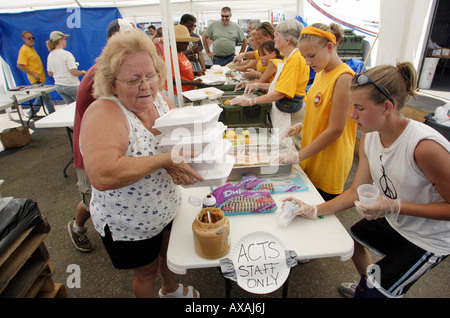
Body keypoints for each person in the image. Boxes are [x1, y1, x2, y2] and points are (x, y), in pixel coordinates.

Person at [284, 62, 450, 298]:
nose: (352, 116)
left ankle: (371, 290)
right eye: (352, 106)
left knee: (372, 293)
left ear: (387, 107)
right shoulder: (370, 139)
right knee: (351, 241)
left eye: (359, 108)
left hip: (429, 238)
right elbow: (355, 192)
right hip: (397, 218)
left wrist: (395, 206)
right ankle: (368, 284)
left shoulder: (424, 147)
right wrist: (313, 209)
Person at [80, 28, 203, 298]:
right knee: (145, 273)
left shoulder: (160, 100)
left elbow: (176, 142)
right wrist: (165, 160)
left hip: (167, 205)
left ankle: (170, 289)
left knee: (167, 255)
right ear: (112, 83)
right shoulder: (105, 112)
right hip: (130, 220)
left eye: (150, 75)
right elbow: (103, 174)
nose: (145, 85)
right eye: (134, 79)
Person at [68, 18, 136, 253]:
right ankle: (77, 228)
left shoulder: (117, 69)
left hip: (111, 145)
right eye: (123, 40)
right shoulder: (101, 74)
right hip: (90, 152)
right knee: (90, 200)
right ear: (109, 42)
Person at [281, 23, 356, 201]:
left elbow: (336, 129)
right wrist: (301, 126)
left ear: (330, 47)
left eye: (312, 56)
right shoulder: (322, 73)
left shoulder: (343, 77)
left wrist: (298, 155)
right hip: (313, 153)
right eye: (304, 57)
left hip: (329, 160)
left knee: (319, 209)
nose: (308, 62)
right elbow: (320, 113)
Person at [231, 20, 309, 136]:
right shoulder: (289, 58)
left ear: (287, 40)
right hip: (285, 109)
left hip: (291, 112)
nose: (275, 38)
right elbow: (282, 85)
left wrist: (252, 101)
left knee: (290, 146)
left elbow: (281, 92)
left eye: (277, 35)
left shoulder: (295, 60)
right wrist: (257, 85)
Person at [162, 24, 203, 107]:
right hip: (175, 95)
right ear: (176, 42)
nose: (188, 45)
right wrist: (193, 82)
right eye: (185, 42)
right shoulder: (170, 56)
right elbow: (173, 80)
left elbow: (183, 72)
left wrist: (197, 74)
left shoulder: (180, 53)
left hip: (184, 93)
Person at [17, 31, 55, 116]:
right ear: (23, 39)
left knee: (42, 96)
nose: (31, 40)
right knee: (45, 96)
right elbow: (20, 65)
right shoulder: (24, 50)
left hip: (40, 77)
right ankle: (52, 113)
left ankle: (32, 111)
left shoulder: (31, 49)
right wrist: (33, 74)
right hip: (36, 78)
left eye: (32, 38)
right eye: (29, 38)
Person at [46, 31, 86, 104]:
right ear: (60, 40)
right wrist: (83, 73)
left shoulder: (50, 55)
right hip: (71, 85)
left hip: (59, 86)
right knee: (82, 105)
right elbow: (74, 72)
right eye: (64, 39)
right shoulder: (67, 54)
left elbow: (50, 73)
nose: (66, 41)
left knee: (70, 107)